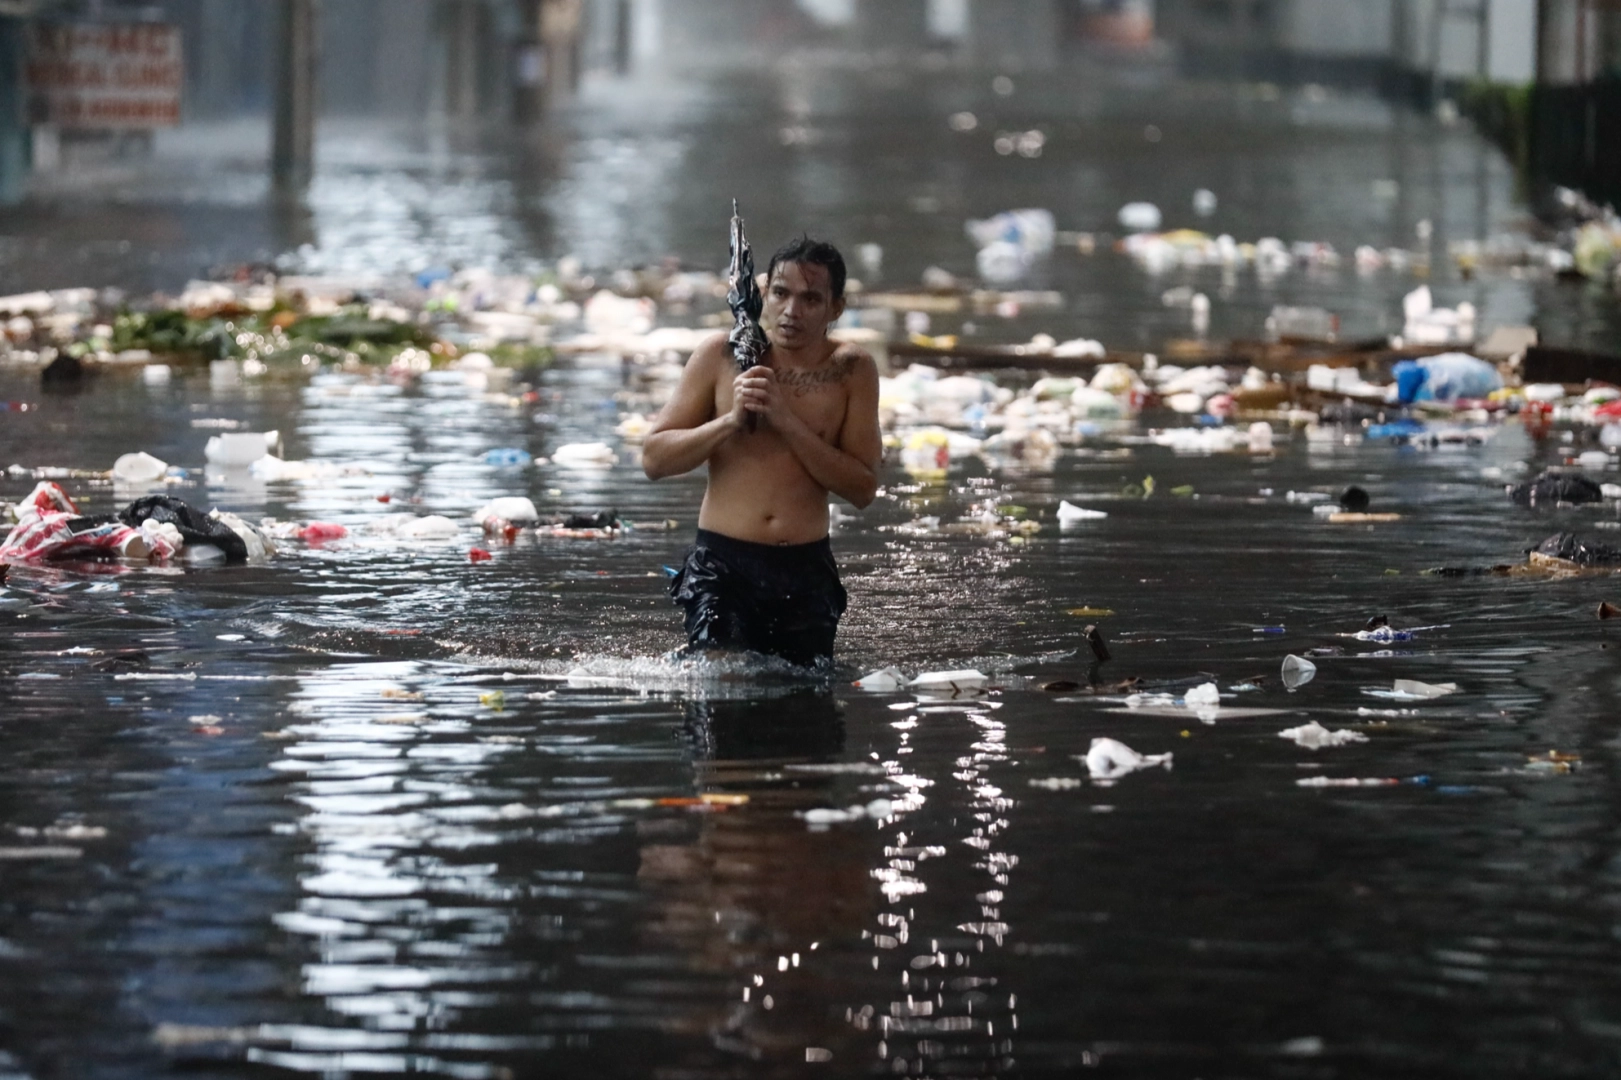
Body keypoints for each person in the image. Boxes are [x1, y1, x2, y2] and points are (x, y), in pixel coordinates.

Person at [642, 237, 881, 666]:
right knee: (720, 681)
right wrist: (730, 421)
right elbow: (654, 460)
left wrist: (786, 420)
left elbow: (863, 489)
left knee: (800, 711)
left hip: (806, 568)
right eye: (781, 294)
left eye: (811, 299)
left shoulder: (851, 369)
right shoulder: (720, 355)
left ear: (836, 308)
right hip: (723, 565)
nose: (792, 311)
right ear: (762, 291)